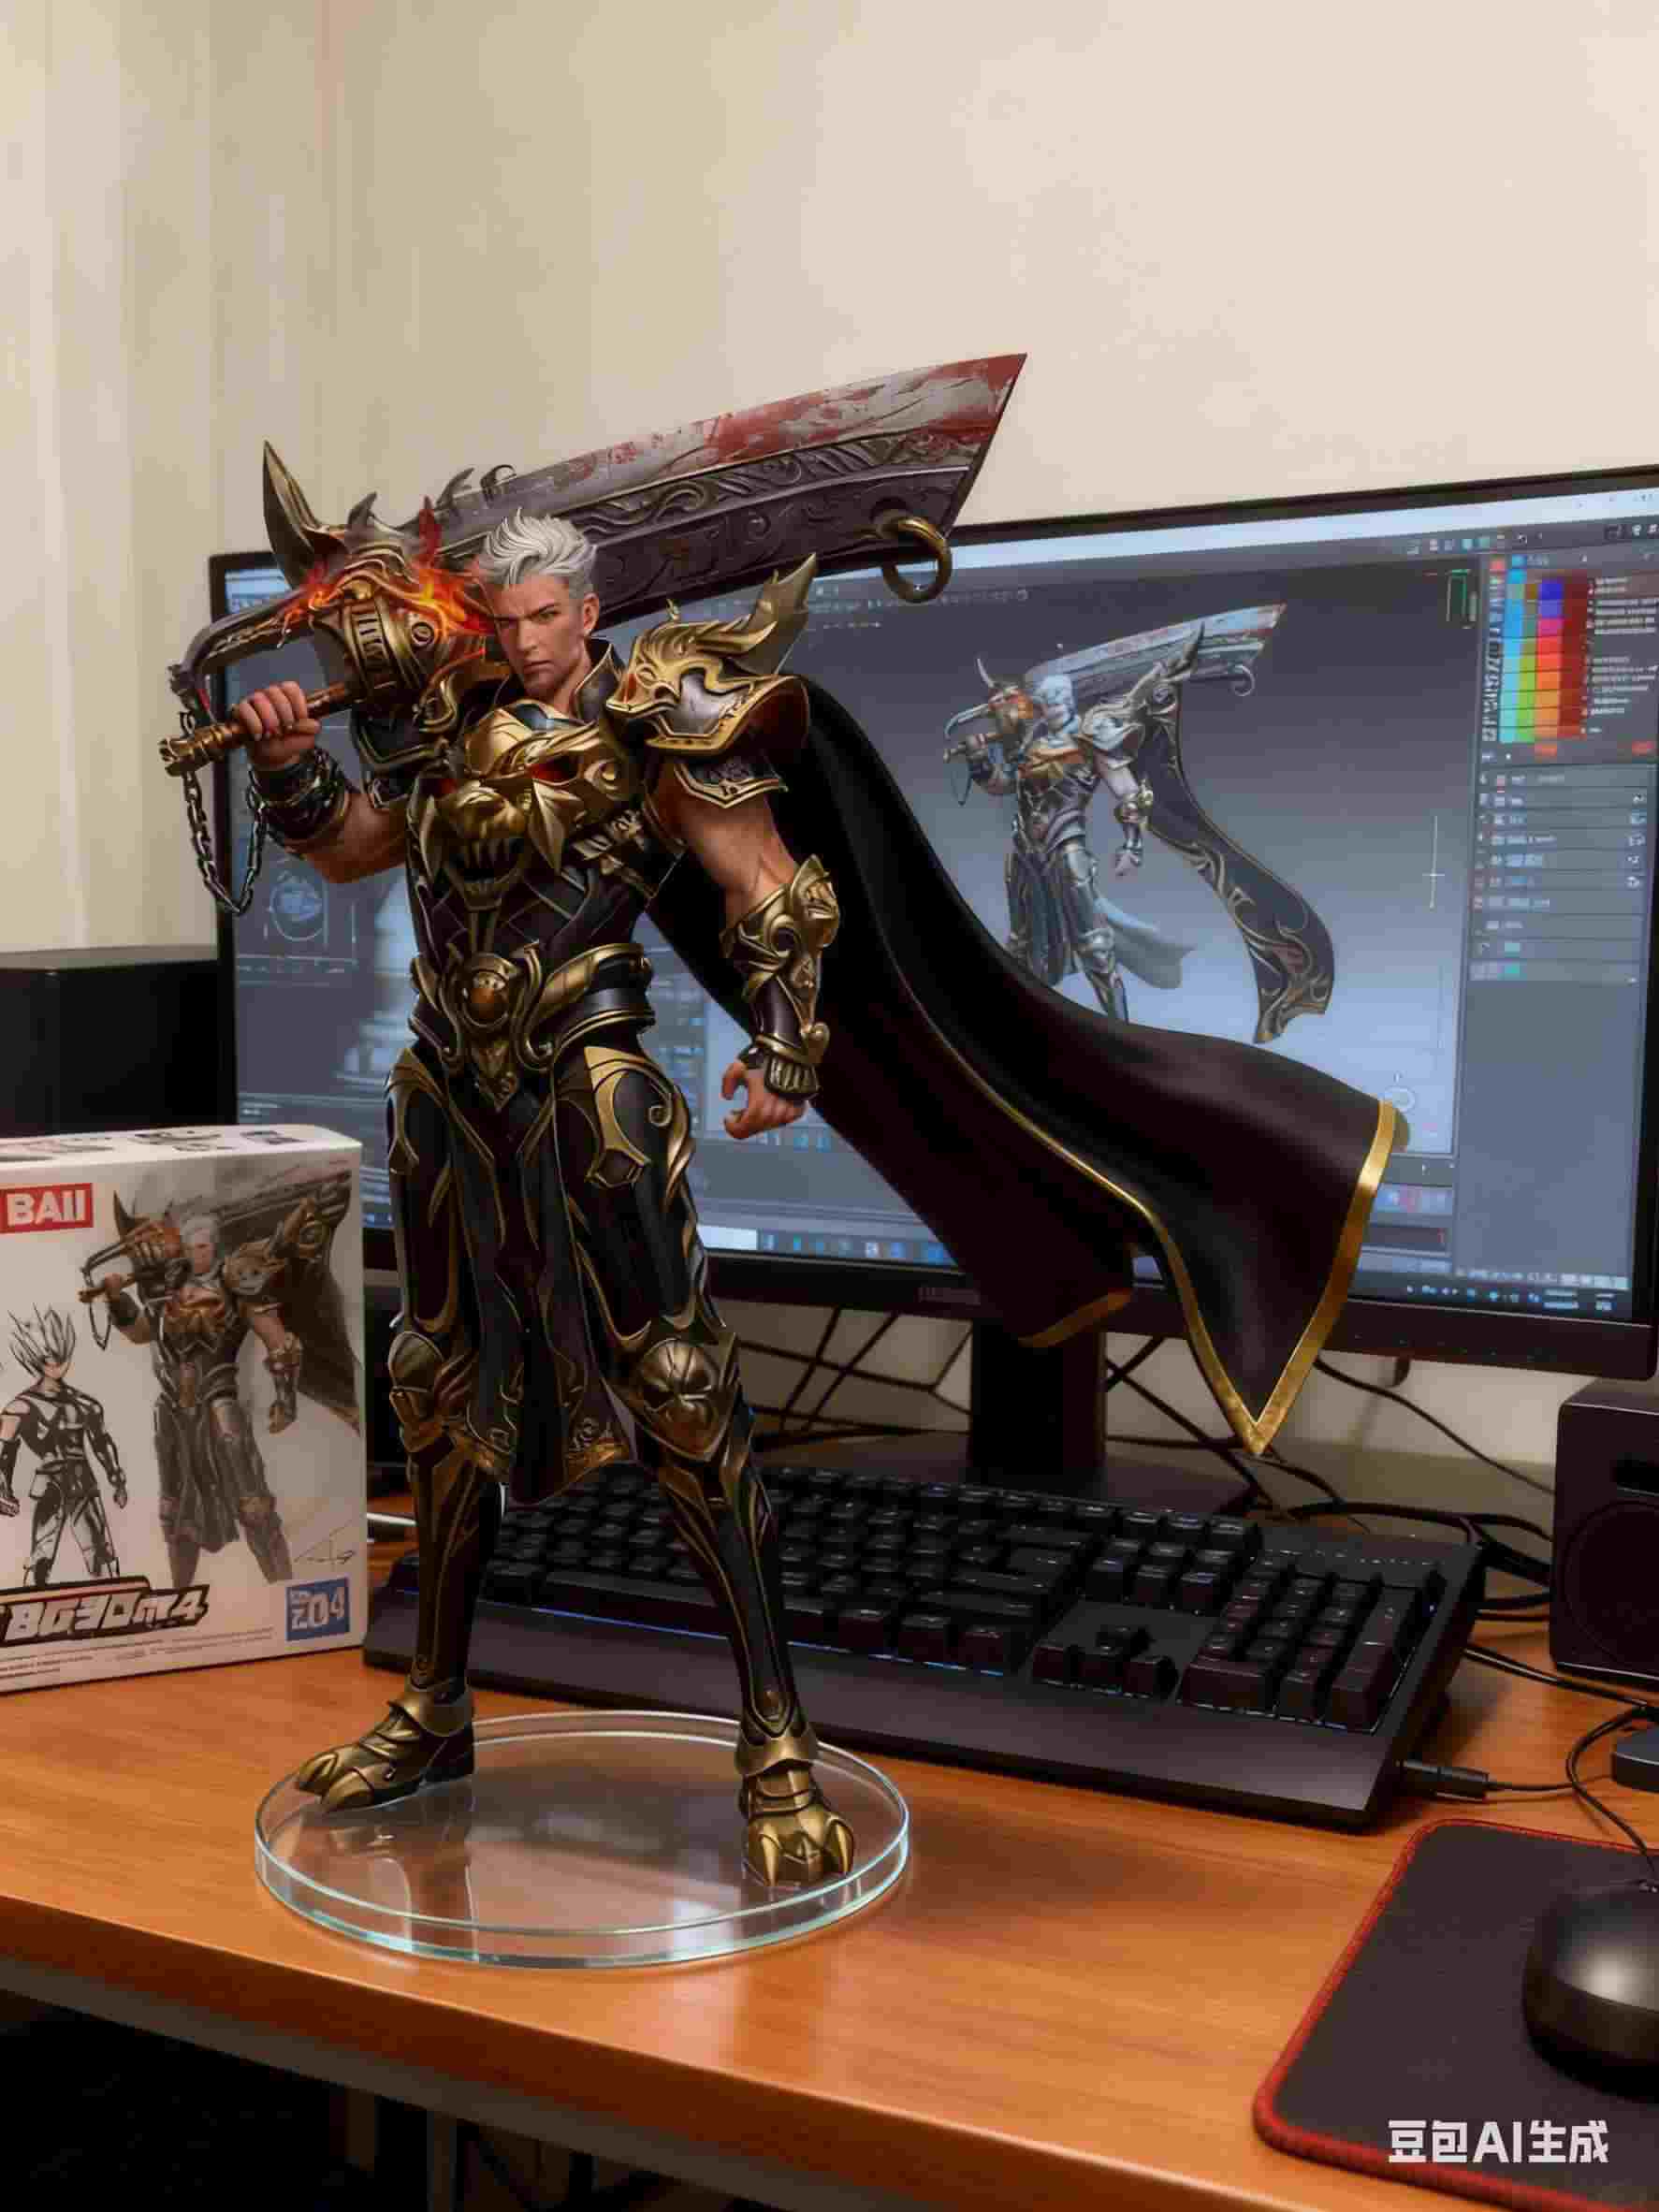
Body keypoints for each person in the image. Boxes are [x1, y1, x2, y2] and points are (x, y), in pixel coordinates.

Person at [235, 513, 852, 1885]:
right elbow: (355, 847)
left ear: (586, 611)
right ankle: (434, 1708)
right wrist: (286, 764)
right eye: (500, 621)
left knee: (680, 1391)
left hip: (588, 1082)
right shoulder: (442, 721)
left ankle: (774, 1744)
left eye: (540, 619)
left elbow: (771, 891)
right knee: (435, 1384)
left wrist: (786, 1049)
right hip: (448, 1090)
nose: (520, 643)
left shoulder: (662, 718)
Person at [954, 662, 1191, 1020]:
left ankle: (1121, 1028)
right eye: (1046, 703)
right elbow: (1003, 786)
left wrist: (1132, 846)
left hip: (1066, 849)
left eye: (1056, 702)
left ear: (1068, 701)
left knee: (1094, 944)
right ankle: (1017, 1020)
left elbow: (1130, 793)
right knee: (1021, 944)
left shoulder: (1091, 739)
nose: (1051, 709)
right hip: (1024, 854)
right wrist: (978, 760)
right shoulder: (1033, 744)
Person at [98, 1213, 298, 1587]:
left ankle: (283, 1588)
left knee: (253, 1504)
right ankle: (180, 1597)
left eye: (203, 1246)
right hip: (173, 1409)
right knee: (175, 1509)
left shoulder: (236, 1281)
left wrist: (286, 1400)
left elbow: (280, 1344)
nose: (196, 1253)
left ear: (216, 1246)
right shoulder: (169, 1287)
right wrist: (116, 1299)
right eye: (190, 1247)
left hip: (219, 1400)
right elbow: (142, 1333)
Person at [0, 1307, 125, 1587]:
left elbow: (101, 1442)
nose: (56, 1362)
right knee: (42, 1555)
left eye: (61, 1353)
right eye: (48, 1356)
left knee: (101, 1553)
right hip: (51, 1484)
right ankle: (35, 1596)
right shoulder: (20, 1407)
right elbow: (4, 1450)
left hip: (84, 1483)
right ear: (34, 1357)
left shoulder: (85, 1405)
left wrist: (117, 1477)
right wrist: (2, 1488)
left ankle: (111, 1594)